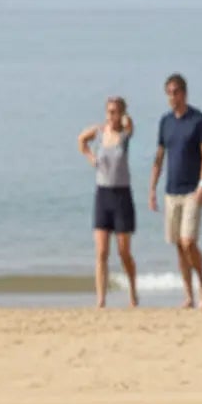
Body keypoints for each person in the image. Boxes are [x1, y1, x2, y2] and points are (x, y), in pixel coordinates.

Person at [150, 74, 202, 309]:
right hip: (171, 191)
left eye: (176, 92)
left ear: (184, 93)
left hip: (192, 191)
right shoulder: (165, 122)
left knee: (188, 242)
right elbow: (159, 157)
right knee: (178, 244)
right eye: (169, 93)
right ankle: (188, 296)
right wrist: (152, 189)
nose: (172, 97)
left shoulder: (198, 120)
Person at [77, 96, 139, 308]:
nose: (112, 116)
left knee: (124, 252)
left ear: (121, 113)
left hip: (122, 196)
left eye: (116, 112)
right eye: (109, 111)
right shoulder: (101, 133)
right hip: (103, 195)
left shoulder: (125, 135)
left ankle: (132, 292)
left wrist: (126, 120)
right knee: (101, 252)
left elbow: (131, 127)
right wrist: (90, 157)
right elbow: (81, 140)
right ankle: (101, 299)